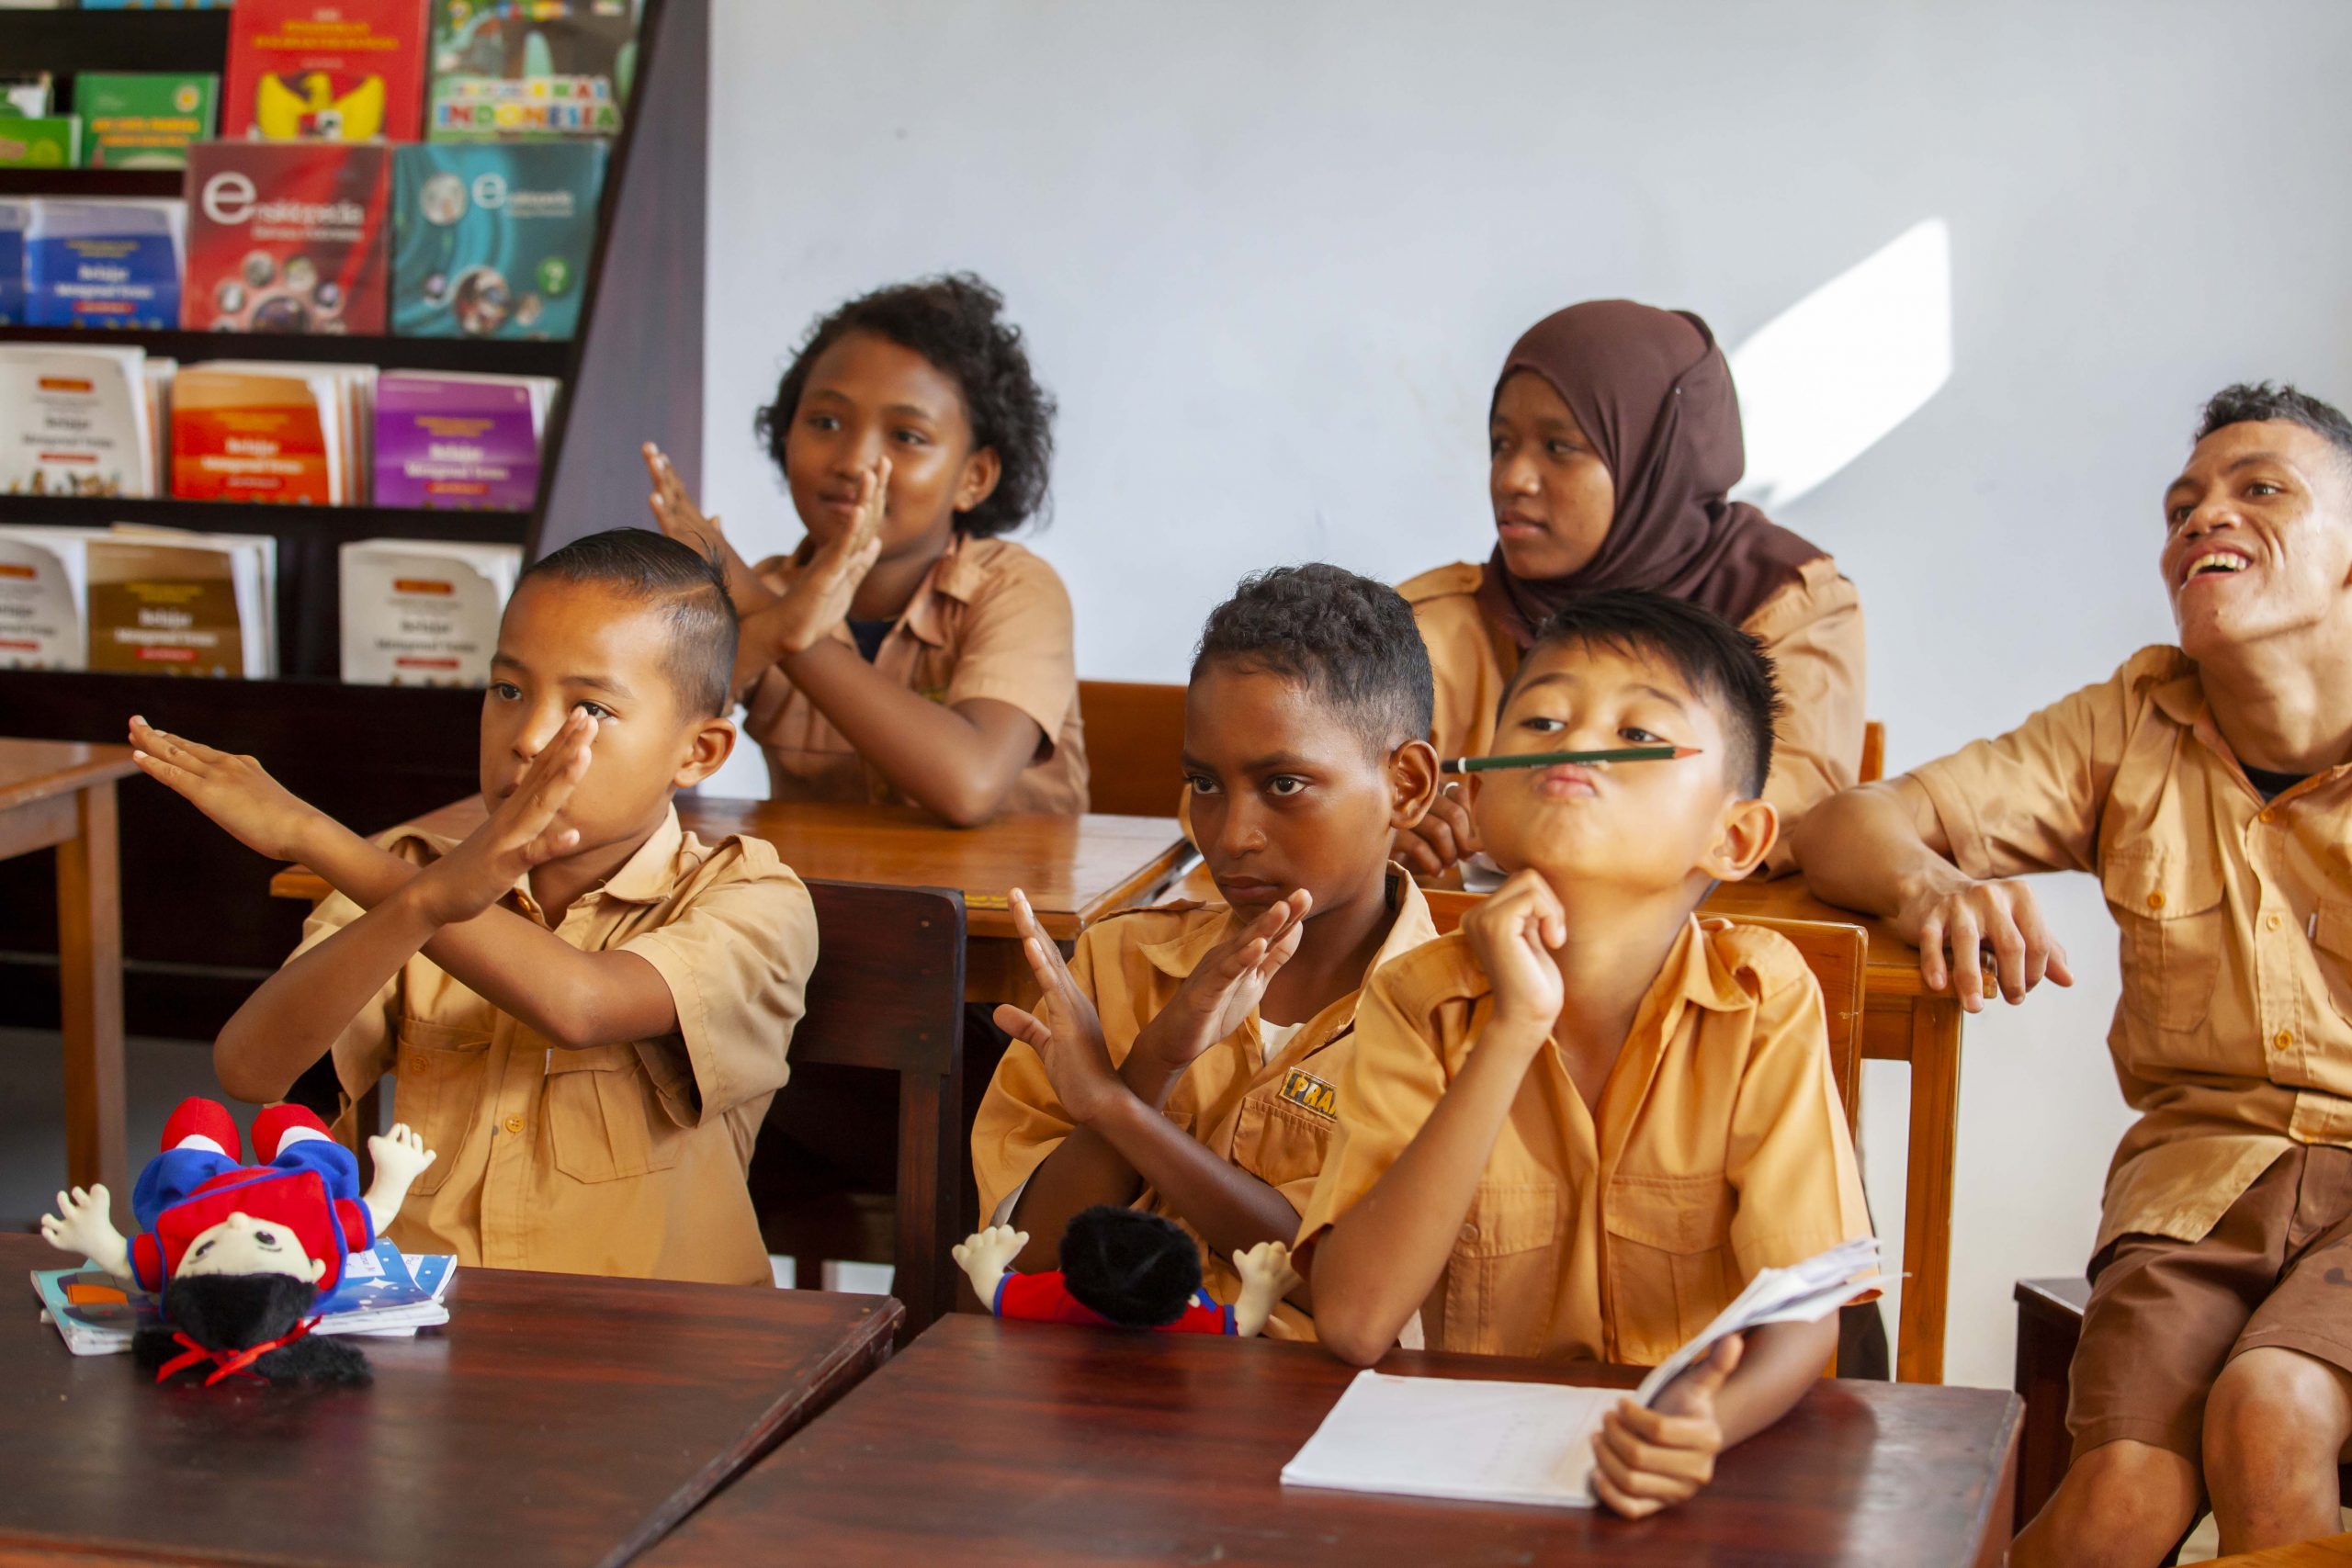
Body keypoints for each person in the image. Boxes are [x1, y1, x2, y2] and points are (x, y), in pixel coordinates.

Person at [1795, 383, 2352, 1564]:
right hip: (2194, 1192)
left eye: (2262, 490)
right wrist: (1930, 886)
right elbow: (1845, 823)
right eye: (2182, 503)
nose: (2205, 517)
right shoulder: (2129, 722)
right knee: (2119, 1502)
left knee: (2273, 1414)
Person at [1304, 589, 1871, 1519]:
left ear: (1733, 837)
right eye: (1540, 718)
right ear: (1477, 796)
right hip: (1477, 1495)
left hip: (1702, 1482)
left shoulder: (1762, 1001)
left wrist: (1702, 1429)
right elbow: (1357, 1321)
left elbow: (1802, 1313)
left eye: (1640, 734)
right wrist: (1511, 1030)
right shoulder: (1418, 1000)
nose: (1578, 742)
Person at [128, 529, 817, 1285]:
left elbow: (581, 1005)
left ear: (700, 752)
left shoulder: (752, 900)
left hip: (662, 1352)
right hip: (437, 1329)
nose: (527, 739)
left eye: (590, 706)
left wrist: (314, 838)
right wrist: (420, 900)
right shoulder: (411, 875)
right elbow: (251, 1067)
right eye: (508, 690)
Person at [970, 563, 1442, 1337]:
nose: (1229, 835)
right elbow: (1020, 1267)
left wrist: (1120, 1104)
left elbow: (1351, 1288)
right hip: (1083, 1405)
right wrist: (1154, 1060)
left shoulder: (1455, 1013)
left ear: (1409, 784)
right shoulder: (1113, 968)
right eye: (1204, 782)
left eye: (1284, 783)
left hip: (1304, 1421)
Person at [1398, 299, 1863, 877]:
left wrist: (1493, 815)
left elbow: (1779, 806)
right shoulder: (1438, 623)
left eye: (1559, 447)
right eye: (1501, 444)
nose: (1512, 478)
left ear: (1655, 459)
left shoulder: (1784, 603)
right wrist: (1390, 826)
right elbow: (1338, 784)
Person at [643, 272, 1085, 823]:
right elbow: (640, 763)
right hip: (815, 905)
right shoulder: (765, 591)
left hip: (1013, 906)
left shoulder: (1016, 590)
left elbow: (970, 784)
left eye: (907, 437)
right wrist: (766, 616)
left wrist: (781, 626)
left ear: (975, 476)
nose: (853, 461)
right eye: (825, 422)